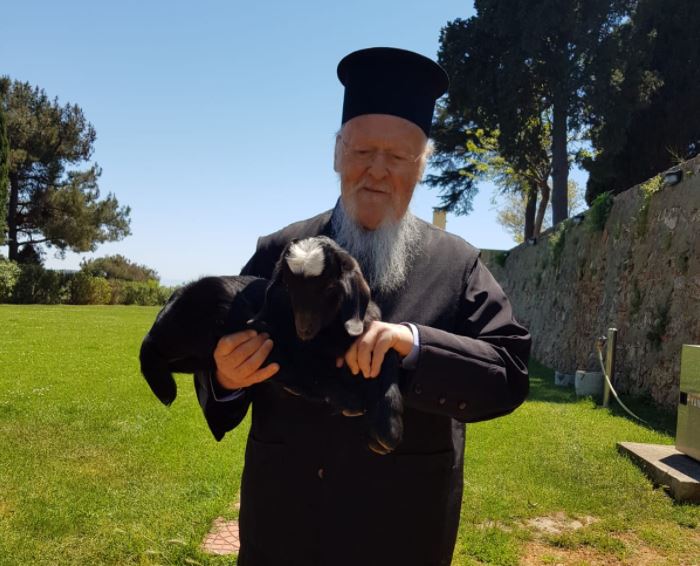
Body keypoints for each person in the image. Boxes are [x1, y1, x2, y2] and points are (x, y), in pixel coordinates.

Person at [194, 47, 531, 566]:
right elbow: (216, 366)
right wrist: (224, 376)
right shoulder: (278, 251)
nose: (377, 171)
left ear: (421, 166)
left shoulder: (457, 265)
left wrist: (413, 346)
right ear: (337, 154)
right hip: (284, 531)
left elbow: (508, 373)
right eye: (362, 151)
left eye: (398, 157)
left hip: (403, 534)